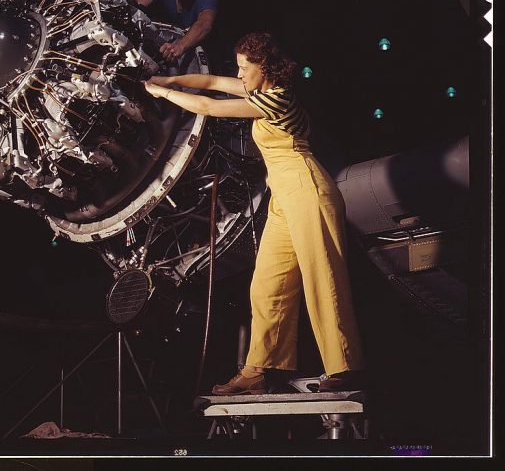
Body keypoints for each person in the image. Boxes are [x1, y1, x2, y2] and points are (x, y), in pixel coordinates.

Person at [143, 32, 365, 394]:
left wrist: (162, 94)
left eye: (245, 68)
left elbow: (211, 107)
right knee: (267, 285)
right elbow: (212, 82)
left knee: (322, 276)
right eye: (239, 67)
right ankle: (257, 371)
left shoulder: (275, 100)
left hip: (307, 188)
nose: (240, 73)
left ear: (265, 69)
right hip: (283, 195)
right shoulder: (259, 90)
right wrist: (169, 78)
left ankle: (345, 365)